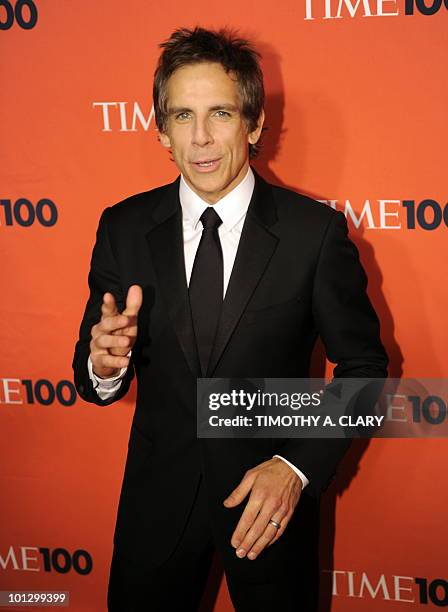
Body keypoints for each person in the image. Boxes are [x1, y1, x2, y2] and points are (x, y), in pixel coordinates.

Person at [72, 26, 388, 612]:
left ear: (256, 122)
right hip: (155, 510)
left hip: (270, 510)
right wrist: (103, 366)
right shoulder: (122, 228)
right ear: (162, 131)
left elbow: (365, 368)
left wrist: (294, 468)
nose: (201, 139)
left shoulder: (312, 234)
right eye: (182, 116)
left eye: (220, 113)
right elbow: (92, 378)